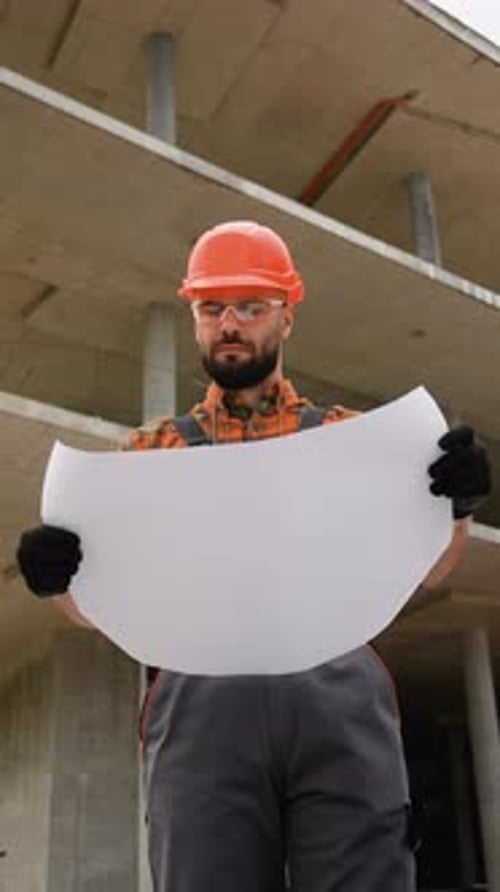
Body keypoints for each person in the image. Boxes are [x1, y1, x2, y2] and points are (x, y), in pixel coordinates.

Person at [16, 221, 491, 892]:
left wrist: (456, 506)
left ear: (286, 316)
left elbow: (431, 568)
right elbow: (96, 610)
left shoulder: (353, 444)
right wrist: (59, 577)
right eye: (212, 308)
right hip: (202, 708)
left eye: (250, 306)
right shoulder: (147, 458)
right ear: (194, 318)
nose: (230, 324)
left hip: (338, 697)